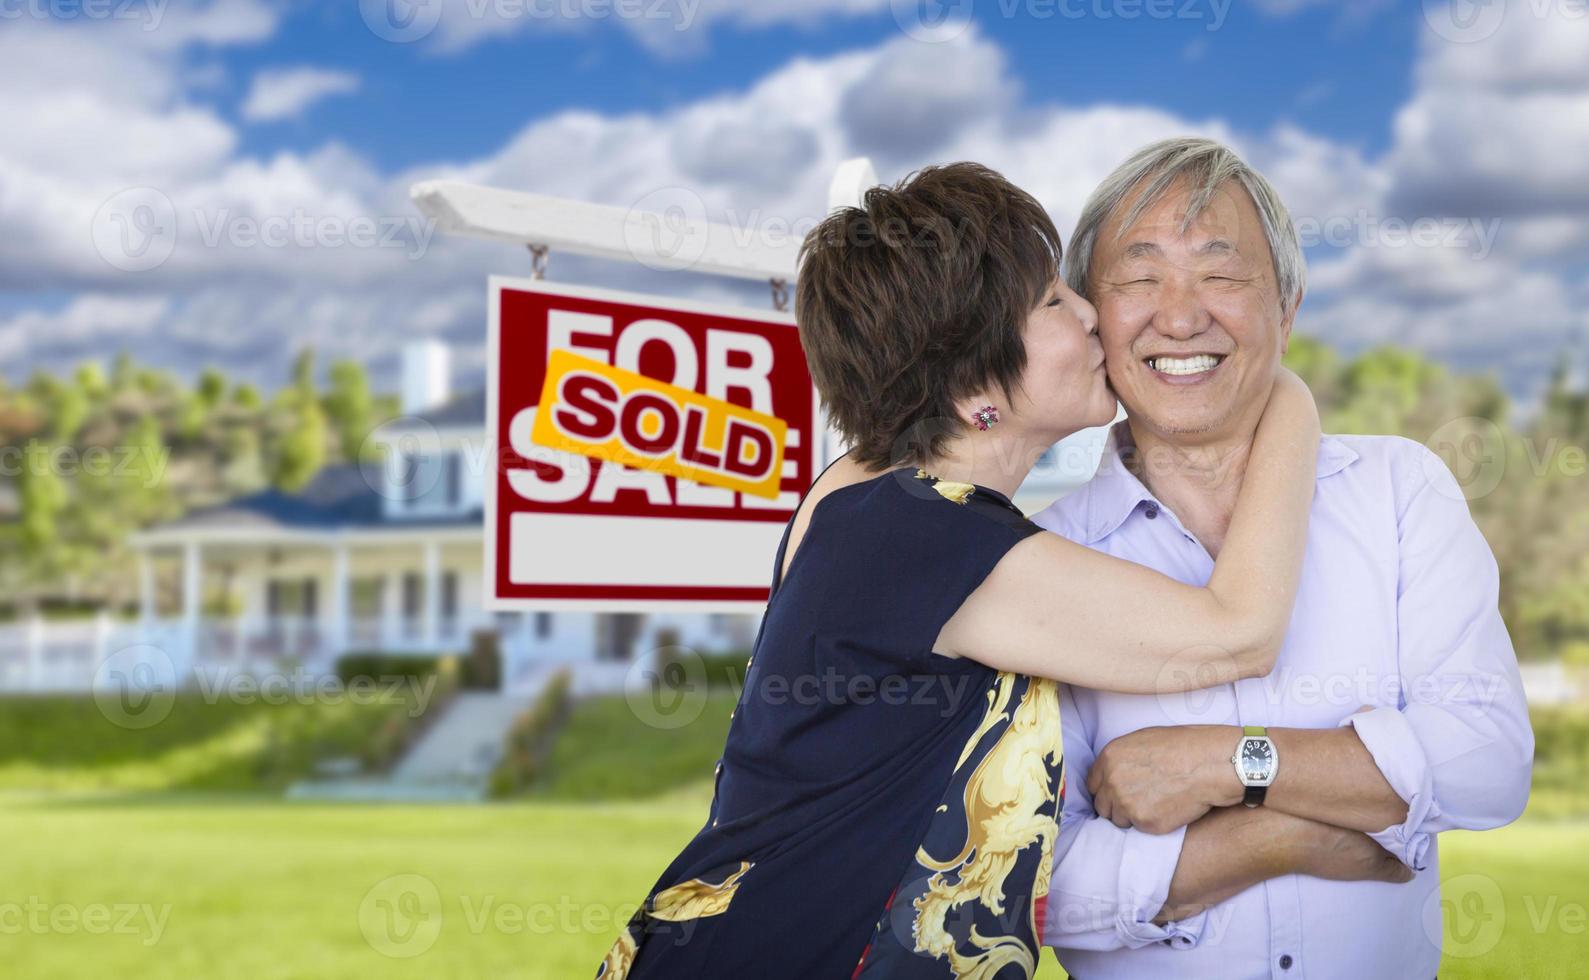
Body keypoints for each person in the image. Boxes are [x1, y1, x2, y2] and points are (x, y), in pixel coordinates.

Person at [596, 162, 1321, 980]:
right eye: (1052, 301)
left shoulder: (865, 493)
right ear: (974, 369)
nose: (1090, 315)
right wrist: (1283, 392)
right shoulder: (923, 537)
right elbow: (1236, 634)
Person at [1034, 137, 1534, 980]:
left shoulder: (1398, 490)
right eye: (1137, 276)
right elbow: (1039, 886)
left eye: (1220, 274)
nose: (1181, 315)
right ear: (1090, 318)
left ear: (1287, 308)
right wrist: (1277, 835)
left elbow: (1484, 761)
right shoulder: (1043, 557)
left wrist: (1225, 762)